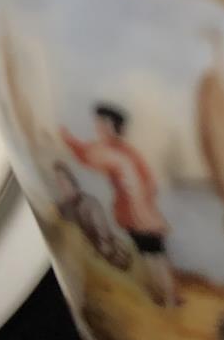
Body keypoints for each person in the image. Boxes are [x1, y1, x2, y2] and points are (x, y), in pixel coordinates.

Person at [61, 105, 180, 306]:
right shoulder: (125, 151)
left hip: (137, 214)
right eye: (97, 123)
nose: (97, 127)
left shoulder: (114, 152)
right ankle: (167, 297)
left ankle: (166, 297)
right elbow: (149, 183)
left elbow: (88, 156)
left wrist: (66, 138)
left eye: (100, 123)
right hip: (144, 212)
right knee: (154, 255)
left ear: (110, 126)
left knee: (152, 256)